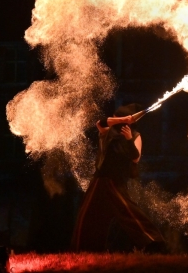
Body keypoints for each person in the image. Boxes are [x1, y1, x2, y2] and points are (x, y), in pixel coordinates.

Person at [71, 103, 165, 253]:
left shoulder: (135, 136)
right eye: (116, 118)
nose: (115, 120)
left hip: (116, 180)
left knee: (130, 213)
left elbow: (135, 158)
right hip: (100, 179)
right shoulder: (107, 131)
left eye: (118, 118)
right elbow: (100, 122)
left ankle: (155, 244)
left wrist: (128, 139)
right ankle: (86, 250)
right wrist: (123, 119)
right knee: (88, 214)